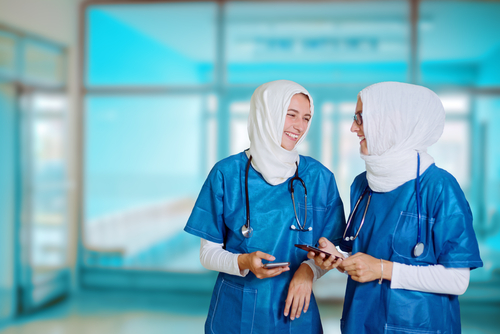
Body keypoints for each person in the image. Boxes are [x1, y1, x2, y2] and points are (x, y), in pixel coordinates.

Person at [308, 82, 483, 334]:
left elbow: (457, 280)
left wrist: (382, 269)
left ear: (389, 122)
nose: (352, 127)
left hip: (419, 326)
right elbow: (364, 257)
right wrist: (337, 258)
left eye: (360, 118)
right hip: (361, 320)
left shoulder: (440, 187)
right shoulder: (363, 185)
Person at [184, 80, 345, 333]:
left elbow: (333, 251)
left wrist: (309, 270)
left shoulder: (320, 178)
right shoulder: (226, 173)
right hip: (236, 311)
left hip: (296, 311)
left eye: (306, 118)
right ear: (266, 114)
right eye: (290, 115)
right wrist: (245, 261)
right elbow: (207, 254)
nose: (299, 126)